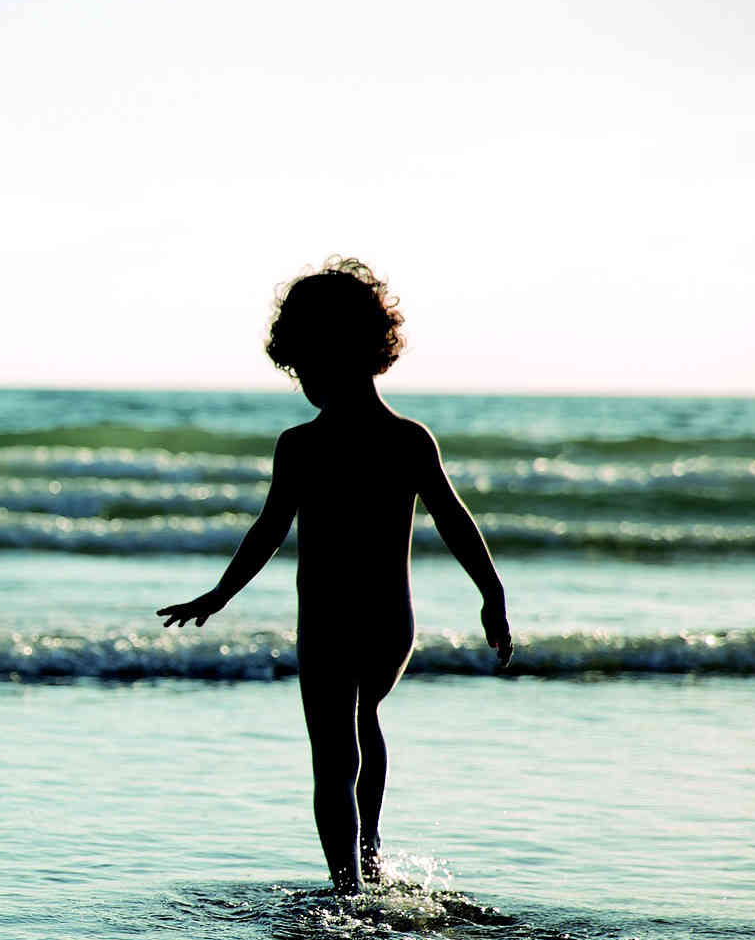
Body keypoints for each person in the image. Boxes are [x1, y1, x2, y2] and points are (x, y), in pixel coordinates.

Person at [159, 258, 511, 893]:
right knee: (364, 720)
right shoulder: (408, 438)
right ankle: (371, 857)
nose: (302, 381)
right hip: (388, 626)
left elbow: (267, 531)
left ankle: (346, 885)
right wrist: (492, 593)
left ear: (332, 353)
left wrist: (219, 594)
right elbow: (456, 522)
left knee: (332, 753)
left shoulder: (302, 445)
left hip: (326, 624)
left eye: (305, 365)